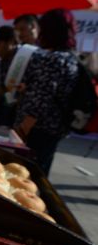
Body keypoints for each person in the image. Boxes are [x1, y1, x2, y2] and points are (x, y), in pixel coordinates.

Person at [14, 9, 80, 175]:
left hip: (37, 129)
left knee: (26, 174)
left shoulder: (52, 59)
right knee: (40, 171)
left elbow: (42, 99)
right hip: (55, 128)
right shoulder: (70, 58)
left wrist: (23, 129)